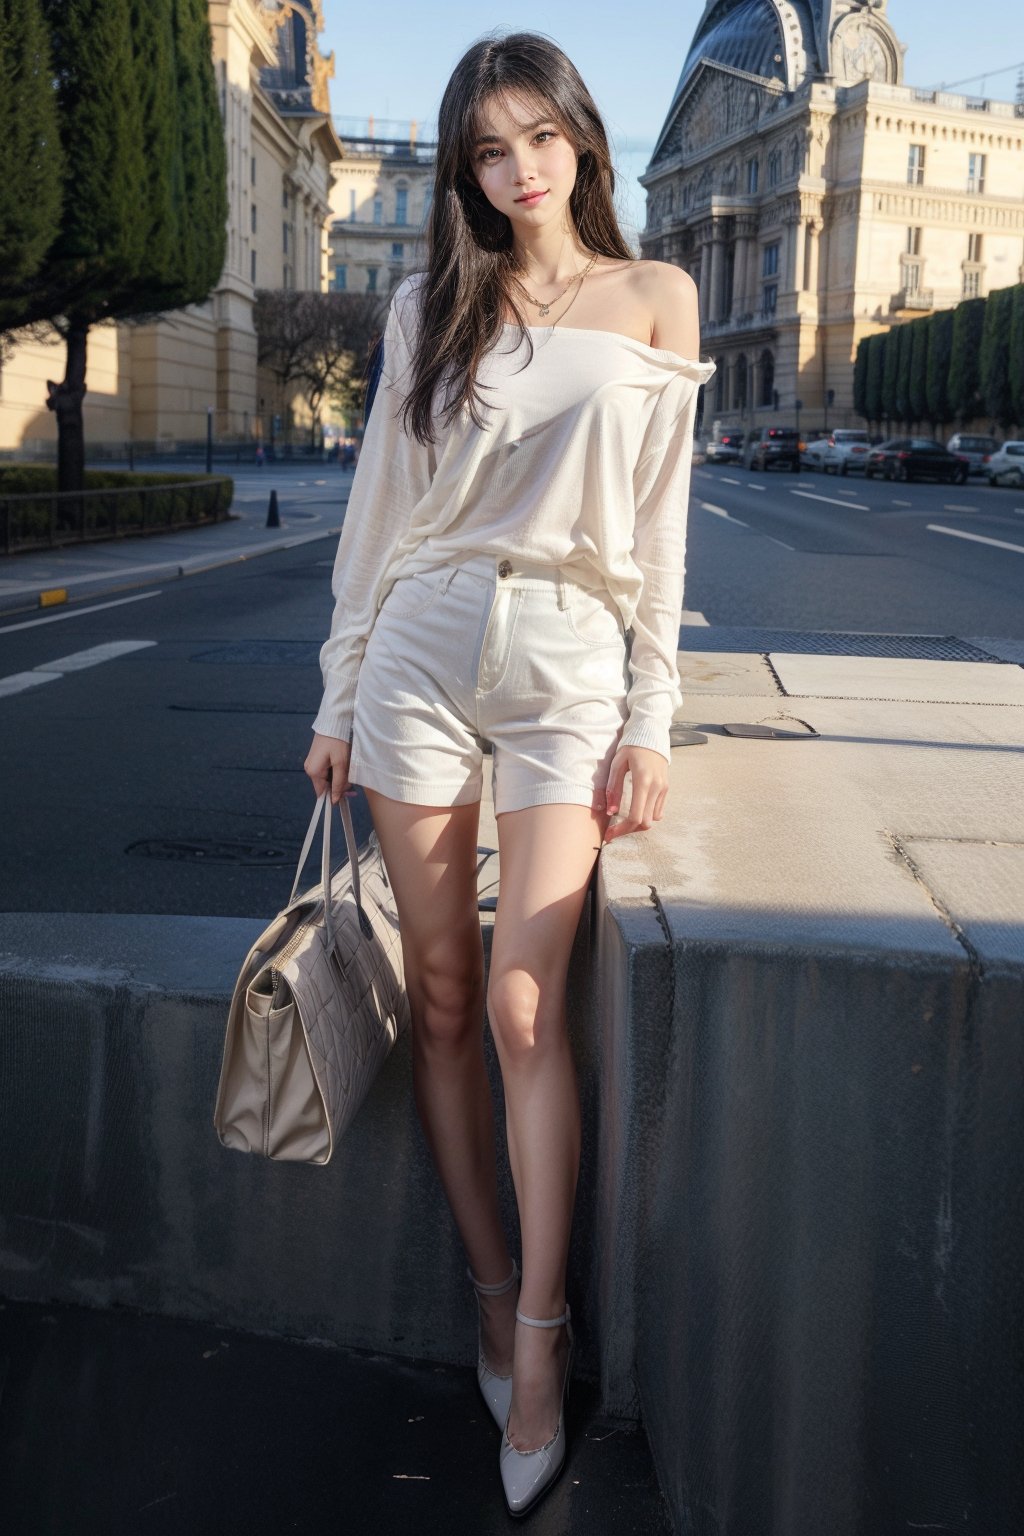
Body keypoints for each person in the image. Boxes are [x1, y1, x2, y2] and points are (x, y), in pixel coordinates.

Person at [304, 30, 710, 1518]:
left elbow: (661, 538)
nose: (519, 166)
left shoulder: (656, 299)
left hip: (567, 667)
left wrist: (651, 717)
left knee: (532, 1001)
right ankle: (489, 1287)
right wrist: (341, 688)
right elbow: (379, 512)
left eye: (540, 136)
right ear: (469, 169)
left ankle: (540, 1342)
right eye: (490, 147)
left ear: (583, 143)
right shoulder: (432, 304)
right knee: (451, 995)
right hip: (422, 644)